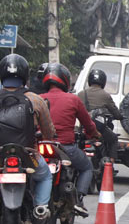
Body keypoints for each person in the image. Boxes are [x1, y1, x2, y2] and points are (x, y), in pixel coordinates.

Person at [0, 54, 56, 224]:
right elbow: (48, 130)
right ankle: (40, 207)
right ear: (24, 75)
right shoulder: (35, 99)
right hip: (28, 154)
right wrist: (48, 136)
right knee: (45, 175)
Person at [40, 63, 100, 215]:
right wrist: (94, 134)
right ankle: (79, 199)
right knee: (87, 167)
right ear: (64, 80)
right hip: (66, 147)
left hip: (40, 146)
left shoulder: (38, 99)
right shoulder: (73, 100)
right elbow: (88, 124)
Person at [77, 68, 122, 161]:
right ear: (103, 81)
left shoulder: (81, 94)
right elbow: (116, 113)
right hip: (99, 128)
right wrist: (120, 117)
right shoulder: (105, 95)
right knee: (113, 139)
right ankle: (110, 165)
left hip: (84, 128)